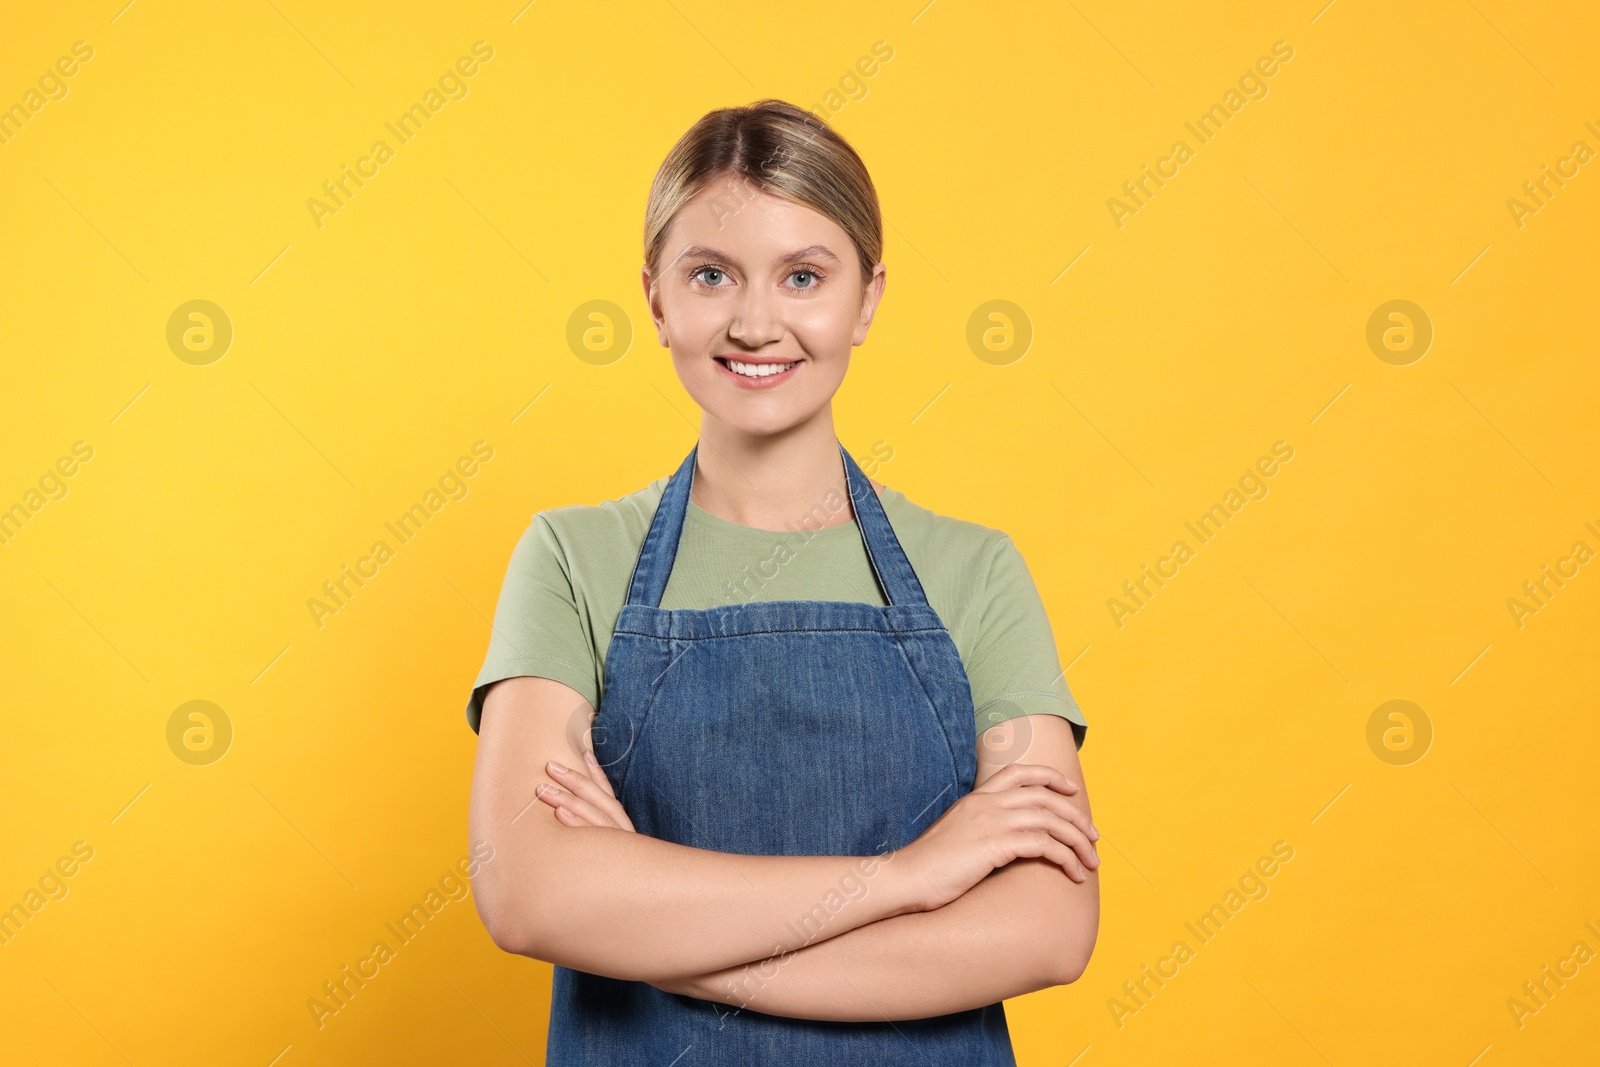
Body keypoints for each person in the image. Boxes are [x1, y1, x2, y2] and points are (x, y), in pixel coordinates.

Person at [465, 98, 1100, 1066]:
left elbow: (1046, 927)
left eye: (803, 275)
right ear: (655, 298)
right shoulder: (569, 557)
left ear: (867, 299)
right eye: (711, 274)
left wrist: (651, 931)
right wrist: (908, 875)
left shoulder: (975, 571)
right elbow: (527, 894)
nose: (756, 323)